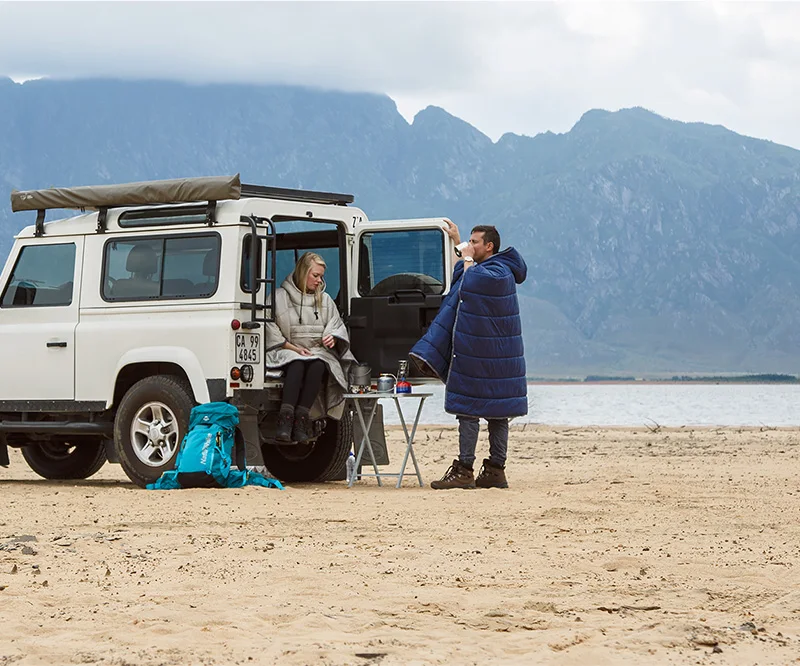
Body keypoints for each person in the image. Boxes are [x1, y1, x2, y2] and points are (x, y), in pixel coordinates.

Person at [410, 222, 527, 489]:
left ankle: (468, 470)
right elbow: (460, 280)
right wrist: (457, 241)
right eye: (470, 241)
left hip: (486, 354)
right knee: (495, 411)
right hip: (489, 354)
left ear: (490, 246)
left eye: (476, 242)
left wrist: (466, 256)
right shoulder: (488, 267)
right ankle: (493, 471)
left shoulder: (497, 272)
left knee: (473, 409)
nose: (471, 246)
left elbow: (470, 281)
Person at [264, 252, 356, 442]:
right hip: (287, 349)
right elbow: (269, 326)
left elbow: (335, 325)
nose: (319, 281)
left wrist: (333, 338)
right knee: (297, 365)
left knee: (318, 365)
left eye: (321, 276)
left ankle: (302, 420)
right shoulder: (278, 297)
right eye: (315, 276)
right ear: (302, 272)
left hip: (317, 351)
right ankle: (285, 420)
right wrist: (293, 348)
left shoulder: (326, 300)